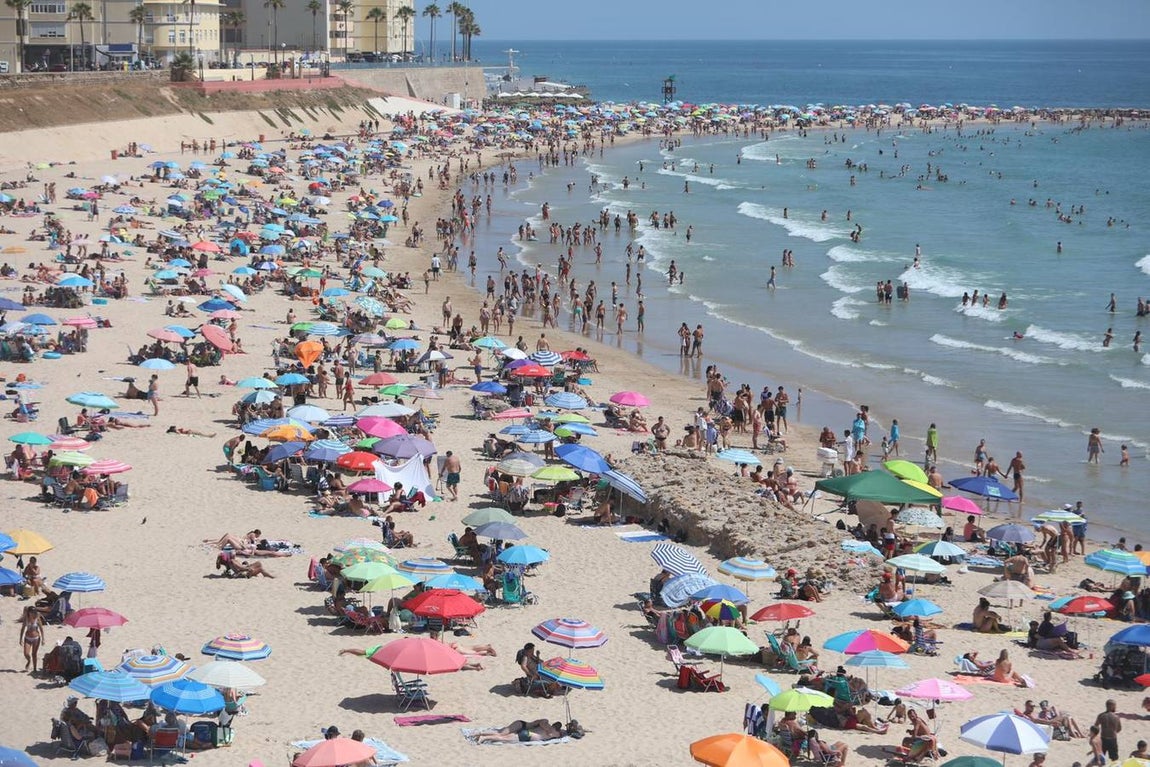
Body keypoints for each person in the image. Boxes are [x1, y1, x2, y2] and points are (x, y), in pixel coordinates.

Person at [474, 719, 576, 744]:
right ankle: (483, 737)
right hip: (527, 734)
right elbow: (565, 734)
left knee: (501, 734)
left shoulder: (546, 723)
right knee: (502, 737)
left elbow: (542, 723)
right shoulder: (555, 733)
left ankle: (480, 734)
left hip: (523, 727)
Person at [19, 605, 45, 672]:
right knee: (26, 653)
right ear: (29, 612)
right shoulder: (26, 618)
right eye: (32, 612)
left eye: (34, 612)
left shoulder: (37, 618)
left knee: (34, 654)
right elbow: (22, 629)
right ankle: (28, 660)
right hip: (27, 638)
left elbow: (41, 629)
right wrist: (20, 639)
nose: (33, 613)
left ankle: (35, 669)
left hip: (36, 638)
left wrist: (43, 639)